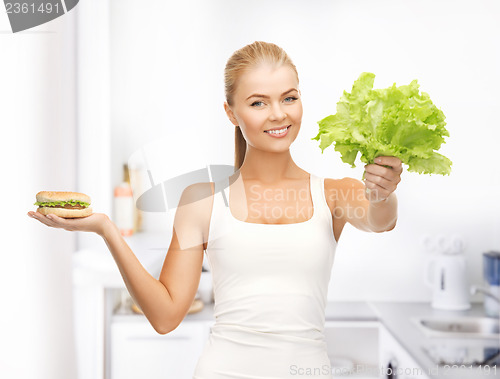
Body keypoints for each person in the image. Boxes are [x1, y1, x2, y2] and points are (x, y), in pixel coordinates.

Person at [27, 41, 403, 378]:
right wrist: (106, 228)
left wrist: (382, 192)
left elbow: (379, 219)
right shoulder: (202, 201)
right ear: (231, 111)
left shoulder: (336, 194)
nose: (278, 114)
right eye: (258, 102)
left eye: (289, 98)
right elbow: (165, 315)